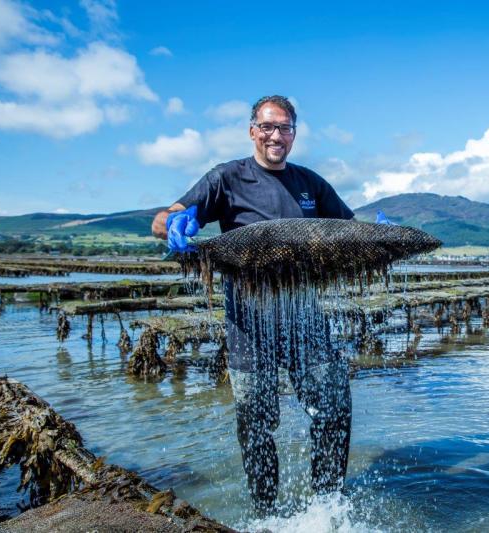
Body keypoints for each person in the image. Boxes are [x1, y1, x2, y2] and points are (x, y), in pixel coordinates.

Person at [151, 95, 355, 515]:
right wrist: (171, 222)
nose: (275, 136)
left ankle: (328, 508)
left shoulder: (310, 184)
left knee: (334, 408)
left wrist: (377, 233)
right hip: (249, 324)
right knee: (256, 424)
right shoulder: (226, 178)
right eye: (267, 127)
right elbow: (165, 215)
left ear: (294, 134)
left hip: (305, 318)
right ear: (252, 131)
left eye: (284, 128)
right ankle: (266, 514)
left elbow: (349, 231)